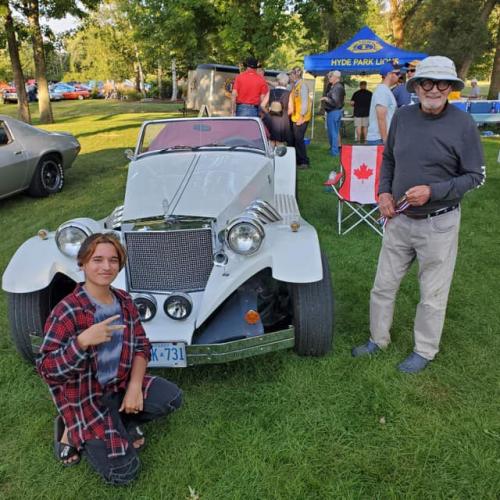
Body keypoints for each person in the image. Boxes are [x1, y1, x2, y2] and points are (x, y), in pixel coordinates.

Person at [352, 56, 485, 373]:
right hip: (399, 219)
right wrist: (384, 192)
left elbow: (475, 176)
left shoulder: (463, 124)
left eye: (442, 84)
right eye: (428, 82)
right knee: (383, 285)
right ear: (416, 86)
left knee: (432, 294)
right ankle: (377, 339)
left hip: (438, 223)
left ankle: (424, 350)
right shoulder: (403, 117)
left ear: (451, 88)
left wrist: (433, 191)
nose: (434, 89)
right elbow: (389, 160)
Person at [37, 233, 182, 484]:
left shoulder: (124, 300)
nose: (106, 267)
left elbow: (141, 344)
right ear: (82, 264)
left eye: (113, 260)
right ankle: (70, 428)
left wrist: (135, 386)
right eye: (97, 259)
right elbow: (46, 369)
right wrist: (82, 342)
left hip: (120, 384)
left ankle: (121, 418)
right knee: (124, 474)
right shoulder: (66, 311)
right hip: (87, 399)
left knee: (171, 398)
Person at [366, 65, 400, 145]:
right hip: (379, 139)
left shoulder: (385, 90)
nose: (400, 75)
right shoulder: (382, 91)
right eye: (397, 73)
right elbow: (381, 118)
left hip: (381, 138)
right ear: (389, 74)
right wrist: (386, 141)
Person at [289, 66, 312, 169]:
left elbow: (305, 103)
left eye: (291, 74)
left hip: (301, 117)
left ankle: (304, 162)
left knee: (299, 139)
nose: (290, 76)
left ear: (296, 75)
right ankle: (298, 160)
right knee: (296, 139)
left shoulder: (302, 85)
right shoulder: (296, 85)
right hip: (296, 117)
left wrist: (302, 116)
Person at [261, 72, 293, 146]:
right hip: (283, 121)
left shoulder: (271, 91)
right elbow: (291, 109)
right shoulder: (288, 93)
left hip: (271, 119)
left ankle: (270, 156)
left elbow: (262, 105)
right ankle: (280, 157)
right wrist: (284, 115)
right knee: (280, 143)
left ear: (278, 81)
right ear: (286, 82)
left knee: (271, 141)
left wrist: (268, 113)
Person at [320, 70, 345, 156]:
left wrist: (326, 99)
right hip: (333, 112)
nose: (329, 78)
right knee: (332, 132)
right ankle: (333, 150)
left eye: (331, 76)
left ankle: (334, 152)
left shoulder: (337, 87)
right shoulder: (334, 86)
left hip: (334, 112)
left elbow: (336, 102)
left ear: (336, 77)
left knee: (333, 132)